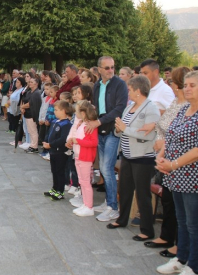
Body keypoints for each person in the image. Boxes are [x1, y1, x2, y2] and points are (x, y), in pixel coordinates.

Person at [155, 71, 198, 275]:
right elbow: (171, 136)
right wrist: (161, 158)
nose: (187, 88)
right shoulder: (184, 109)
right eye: (185, 85)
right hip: (175, 175)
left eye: (193, 85)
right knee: (182, 220)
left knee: (195, 224)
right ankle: (181, 258)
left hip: (195, 177)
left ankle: (194, 269)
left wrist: (174, 163)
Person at [106, 76, 160, 241]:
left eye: (129, 89)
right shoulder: (129, 107)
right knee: (125, 189)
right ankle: (122, 220)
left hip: (143, 157)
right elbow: (123, 128)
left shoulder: (151, 108)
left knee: (142, 193)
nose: (127, 92)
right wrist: (118, 129)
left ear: (138, 90)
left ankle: (147, 230)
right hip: (127, 155)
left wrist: (125, 129)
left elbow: (148, 135)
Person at [144, 67, 189, 258]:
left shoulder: (186, 106)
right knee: (168, 199)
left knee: (177, 204)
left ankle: (179, 243)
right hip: (165, 156)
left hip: (178, 159)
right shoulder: (175, 102)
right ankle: (167, 236)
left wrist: (165, 144)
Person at [86, 56, 128, 222]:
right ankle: (108, 202)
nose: (111, 70)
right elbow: (96, 105)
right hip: (101, 129)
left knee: (106, 168)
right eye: (107, 67)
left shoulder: (120, 84)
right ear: (99, 69)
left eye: (112, 67)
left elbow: (119, 108)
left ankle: (113, 207)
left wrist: (99, 121)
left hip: (111, 129)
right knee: (104, 169)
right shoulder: (97, 85)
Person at [68, 101, 99, 216]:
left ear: (83, 113)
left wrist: (78, 141)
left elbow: (94, 142)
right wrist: (72, 142)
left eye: (77, 112)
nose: (75, 114)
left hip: (85, 157)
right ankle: (86, 204)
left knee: (86, 183)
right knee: (82, 181)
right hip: (78, 156)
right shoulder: (81, 124)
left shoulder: (90, 126)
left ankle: (89, 206)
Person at [43, 101, 74, 200]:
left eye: (57, 110)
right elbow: (50, 133)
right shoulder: (55, 121)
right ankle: (55, 188)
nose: (55, 112)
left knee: (60, 171)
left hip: (60, 151)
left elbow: (62, 139)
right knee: (54, 170)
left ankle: (60, 191)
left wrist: (51, 144)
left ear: (64, 111)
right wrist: (46, 140)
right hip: (53, 151)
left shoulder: (66, 124)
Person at [20, 77, 42, 153]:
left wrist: (22, 107)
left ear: (36, 83)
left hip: (32, 114)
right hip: (27, 113)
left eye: (32, 82)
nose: (30, 83)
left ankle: (34, 146)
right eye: (29, 82)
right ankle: (32, 144)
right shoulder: (29, 92)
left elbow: (30, 103)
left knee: (33, 131)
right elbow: (24, 99)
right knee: (30, 130)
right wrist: (22, 107)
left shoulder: (36, 93)